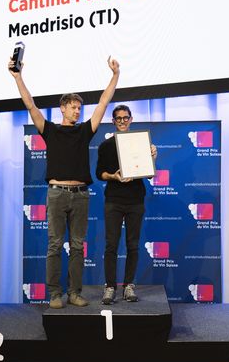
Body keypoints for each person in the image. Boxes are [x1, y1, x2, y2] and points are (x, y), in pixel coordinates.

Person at [9, 55, 120, 309]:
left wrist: (115, 76)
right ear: (62, 108)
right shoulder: (50, 129)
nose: (77, 111)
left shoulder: (84, 130)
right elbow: (30, 105)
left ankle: (74, 293)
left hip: (80, 195)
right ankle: (54, 294)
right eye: (73, 107)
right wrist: (18, 77)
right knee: (55, 245)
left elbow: (104, 102)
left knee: (78, 246)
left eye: (79, 108)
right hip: (57, 194)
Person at [96, 105, 157, 304]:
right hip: (113, 200)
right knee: (111, 245)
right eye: (118, 118)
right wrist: (113, 176)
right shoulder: (105, 146)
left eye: (125, 118)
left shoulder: (141, 144)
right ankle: (110, 287)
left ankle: (129, 285)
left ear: (131, 119)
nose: (122, 121)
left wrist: (152, 158)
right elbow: (99, 173)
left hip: (135, 200)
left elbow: (149, 174)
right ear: (113, 121)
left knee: (133, 245)